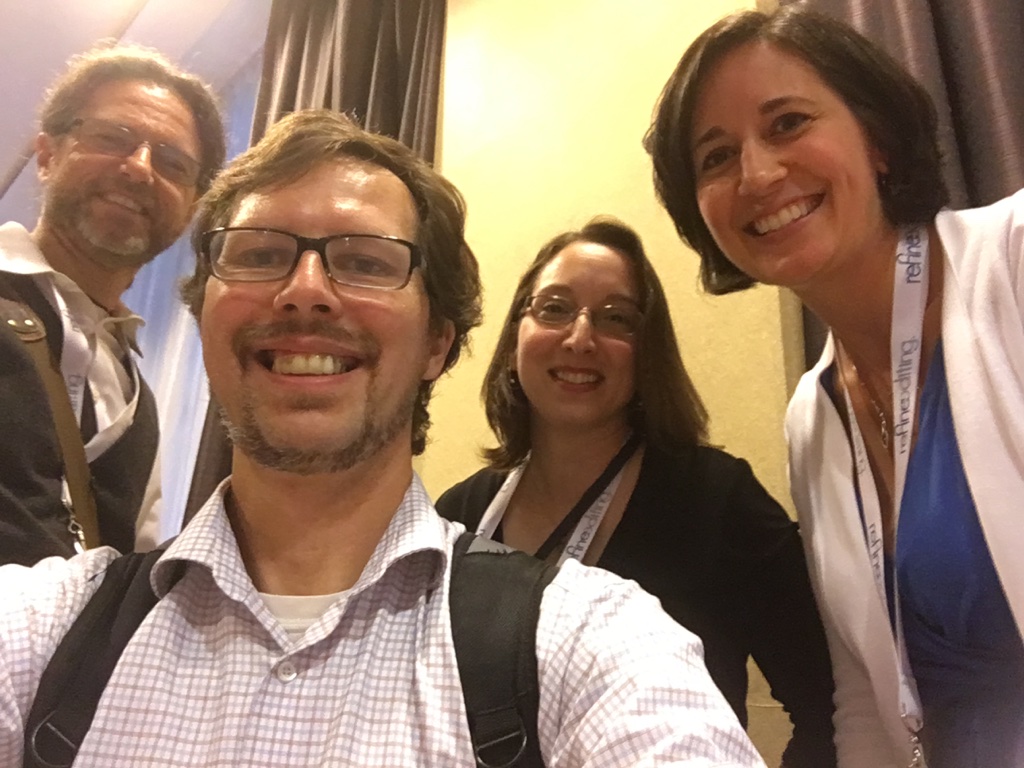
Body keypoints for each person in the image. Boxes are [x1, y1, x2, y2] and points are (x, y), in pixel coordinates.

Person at [0, 110, 768, 767]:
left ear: (438, 342)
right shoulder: (45, 627)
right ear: (204, 315)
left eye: (366, 262)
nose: (304, 290)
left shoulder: (589, 638)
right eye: (259, 254)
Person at [645, 7, 1024, 767]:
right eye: (716, 157)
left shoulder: (1013, 262)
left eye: (787, 123)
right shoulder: (811, 418)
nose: (756, 175)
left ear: (876, 138)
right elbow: (866, 701)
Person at [436, 217, 837, 767]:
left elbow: (828, 709)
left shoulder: (716, 502)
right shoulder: (459, 516)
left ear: (646, 352)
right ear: (513, 341)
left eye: (616, 318)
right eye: (554, 308)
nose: (580, 338)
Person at [0, 45, 226, 565]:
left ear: (191, 207)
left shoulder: (137, 399)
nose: (140, 168)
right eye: (112, 138)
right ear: (47, 155)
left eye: (173, 163)